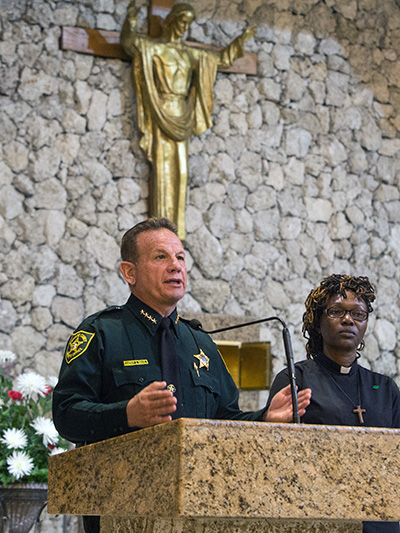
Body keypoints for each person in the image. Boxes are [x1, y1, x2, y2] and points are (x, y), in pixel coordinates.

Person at [53, 217, 311, 533]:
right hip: (121, 511)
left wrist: (262, 419)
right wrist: (128, 414)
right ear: (129, 272)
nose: (175, 266)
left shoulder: (200, 342)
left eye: (180, 257)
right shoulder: (101, 333)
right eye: (160, 257)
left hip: (202, 512)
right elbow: (67, 414)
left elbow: (223, 419)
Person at [266, 273, 400, 533]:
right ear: (317, 321)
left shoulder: (385, 389)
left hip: (381, 522)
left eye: (358, 314)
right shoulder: (296, 379)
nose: (348, 320)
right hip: (318, 519)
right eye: (336, 311)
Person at [120, 3, 255, 239]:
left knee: (181, 171)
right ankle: (159, 230)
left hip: (181, 114)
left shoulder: (190, 54)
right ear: (171, 20)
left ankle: (175, 232)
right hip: (160, 108)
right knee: (162, 170)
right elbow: (130, 44)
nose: (183, 27)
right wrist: (131, 21)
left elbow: (220, 60)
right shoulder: (153, 48)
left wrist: (240, 41)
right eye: (181, 21)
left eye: (187, 24)